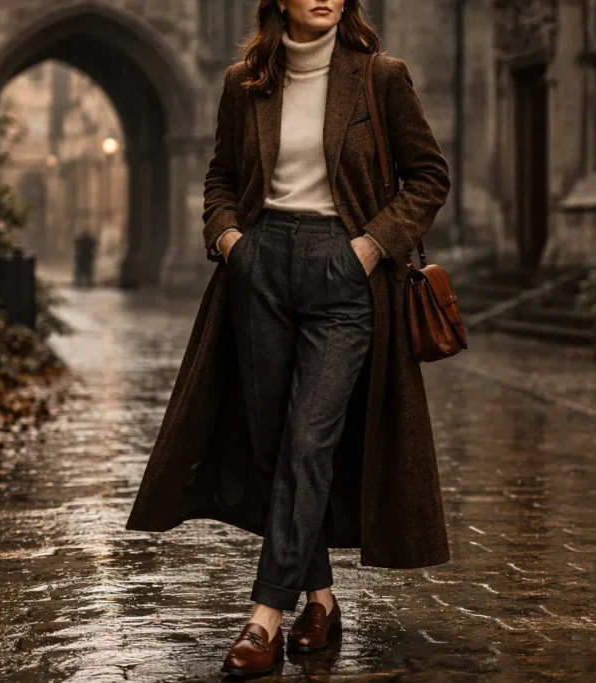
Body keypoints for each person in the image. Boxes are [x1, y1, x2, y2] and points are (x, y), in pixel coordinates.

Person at [125, 0, 451, 676]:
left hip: (344, 273)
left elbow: (428, 177)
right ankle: (322, 601)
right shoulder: (245, 82)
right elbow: (219, 176)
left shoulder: (379, 76)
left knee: (309, 439)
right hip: (261, 266)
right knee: (279, 444)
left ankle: (264, 616)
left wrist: (368, 247)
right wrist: (228, 239)